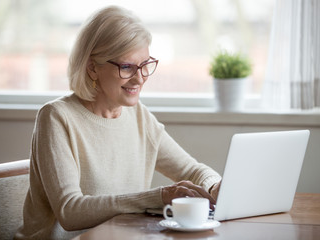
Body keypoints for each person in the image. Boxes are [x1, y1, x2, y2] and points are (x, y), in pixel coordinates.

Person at [14, 5, 221, 240]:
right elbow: (70, 211)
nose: (140, 78)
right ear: (92, 68)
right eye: (127, 67)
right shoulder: (56, 117)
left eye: (145, 65)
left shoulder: (138, 117)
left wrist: (215, 186)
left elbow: (192, 170)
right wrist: (158, 196)